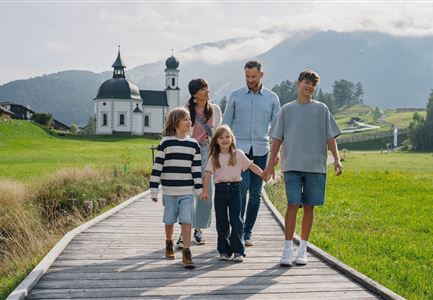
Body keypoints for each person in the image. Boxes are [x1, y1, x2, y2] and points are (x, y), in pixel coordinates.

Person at [263, 69, 343, 266]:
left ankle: (303, 249)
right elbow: (277, 139)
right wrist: (270, 164)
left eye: (313, 84)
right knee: (292, 204)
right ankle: (287, 249)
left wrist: (337, 160)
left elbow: (330, 137)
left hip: (316, 167)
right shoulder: (287, 110)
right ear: (298, 83)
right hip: (291, 166)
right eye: (306, 82)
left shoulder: (322, 109)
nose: (309, 87)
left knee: (309, 207)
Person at [223, 59, 280, 246]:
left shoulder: (272, 98)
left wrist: (277, 152)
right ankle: (237, 231)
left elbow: (277, 129)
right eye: (247, 76)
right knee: (241, 190)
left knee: (256, 193)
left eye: (254, 76)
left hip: (262, 150)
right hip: (240, 151)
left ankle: (247, 232)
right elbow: (226, 124)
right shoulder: (236, 96)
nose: (250, 80)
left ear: (261, 75)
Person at [200, 125, 264, 262]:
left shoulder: (238, 154)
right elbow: (207, 174)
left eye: (227, 137)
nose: (225, 140)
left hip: (236, 190)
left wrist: (263, 174)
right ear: (216, 140)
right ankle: (224, 250)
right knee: (222, 221)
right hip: (220, 191)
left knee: (236, 220)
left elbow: (251, 166)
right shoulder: (214, 157)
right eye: (221, 137)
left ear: (232, 139)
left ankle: (238, 251)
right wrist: (205, 190)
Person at [149, 107, 203, 269]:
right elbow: (158, 167)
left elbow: (196, 170)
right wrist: (154, 189)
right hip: (170, 191)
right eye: (186, 119)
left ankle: (186, 251)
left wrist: (199, 189)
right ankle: (168, 242)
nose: (190, 122)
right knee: (170, 219)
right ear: (176, 122)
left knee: (187, 220)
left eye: (189, 119)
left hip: (187, 191)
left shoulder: (194, 145)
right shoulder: (166, 142)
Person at [174, 79, 222, 249]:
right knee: (187, 193)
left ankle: (199, 229)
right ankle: (182, 233)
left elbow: (218, 133)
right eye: (203, 89)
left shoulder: (215, 110)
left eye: (207, 87)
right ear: (195, 94)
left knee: (205, 192)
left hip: (208, 153)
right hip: (189, 152)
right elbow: (180, 133)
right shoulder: (185, 111)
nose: (207, 91)